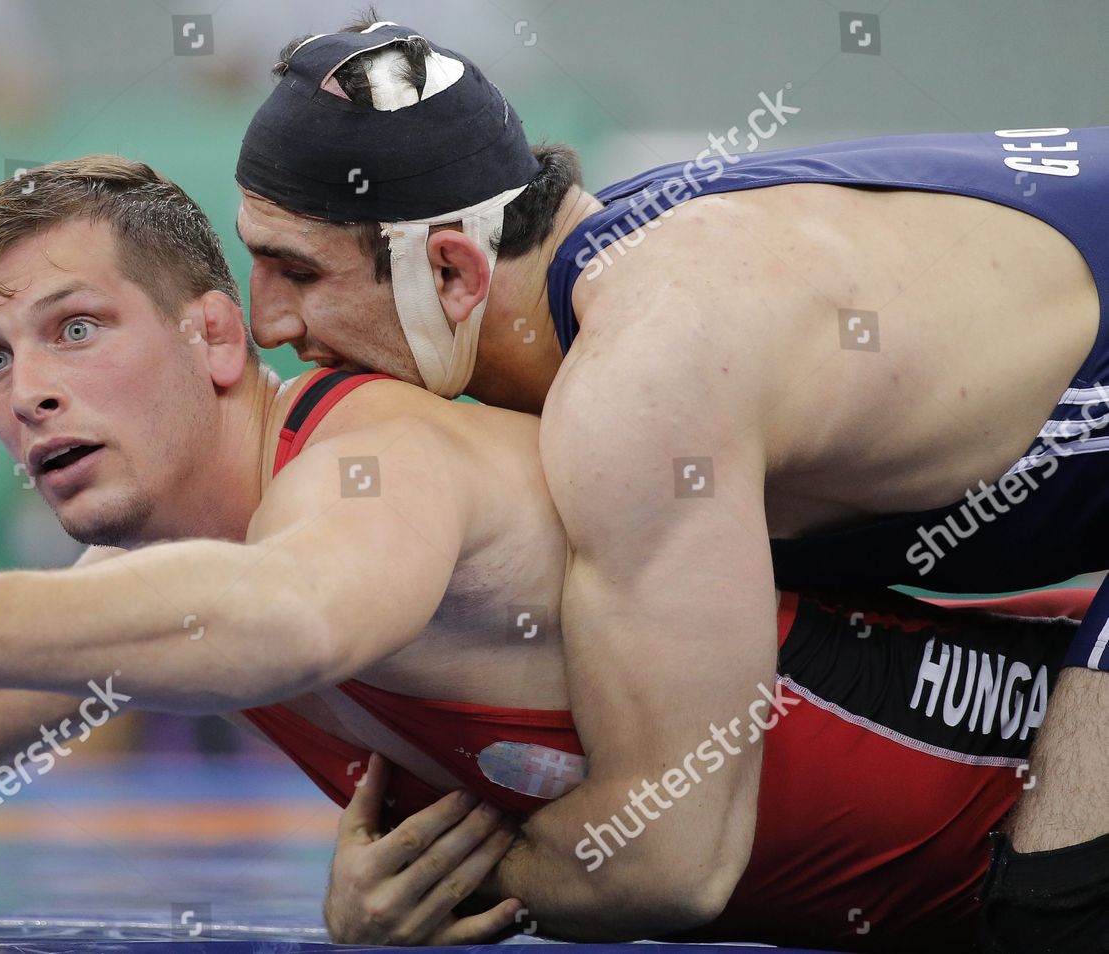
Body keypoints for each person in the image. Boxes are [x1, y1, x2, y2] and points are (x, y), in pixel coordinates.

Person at [0, 156, 1092, 951]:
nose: (29, 389)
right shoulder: (166, 586)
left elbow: (299, 614)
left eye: (75, 328)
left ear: (211, 337)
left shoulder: (381, 455)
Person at [232, 16, 1109, 951]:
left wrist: (442, 885)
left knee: (1057, 908)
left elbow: (672, 864)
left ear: (451, 269)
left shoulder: (645, 380)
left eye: (296, 272)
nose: (268, 322)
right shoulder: (620, 285)